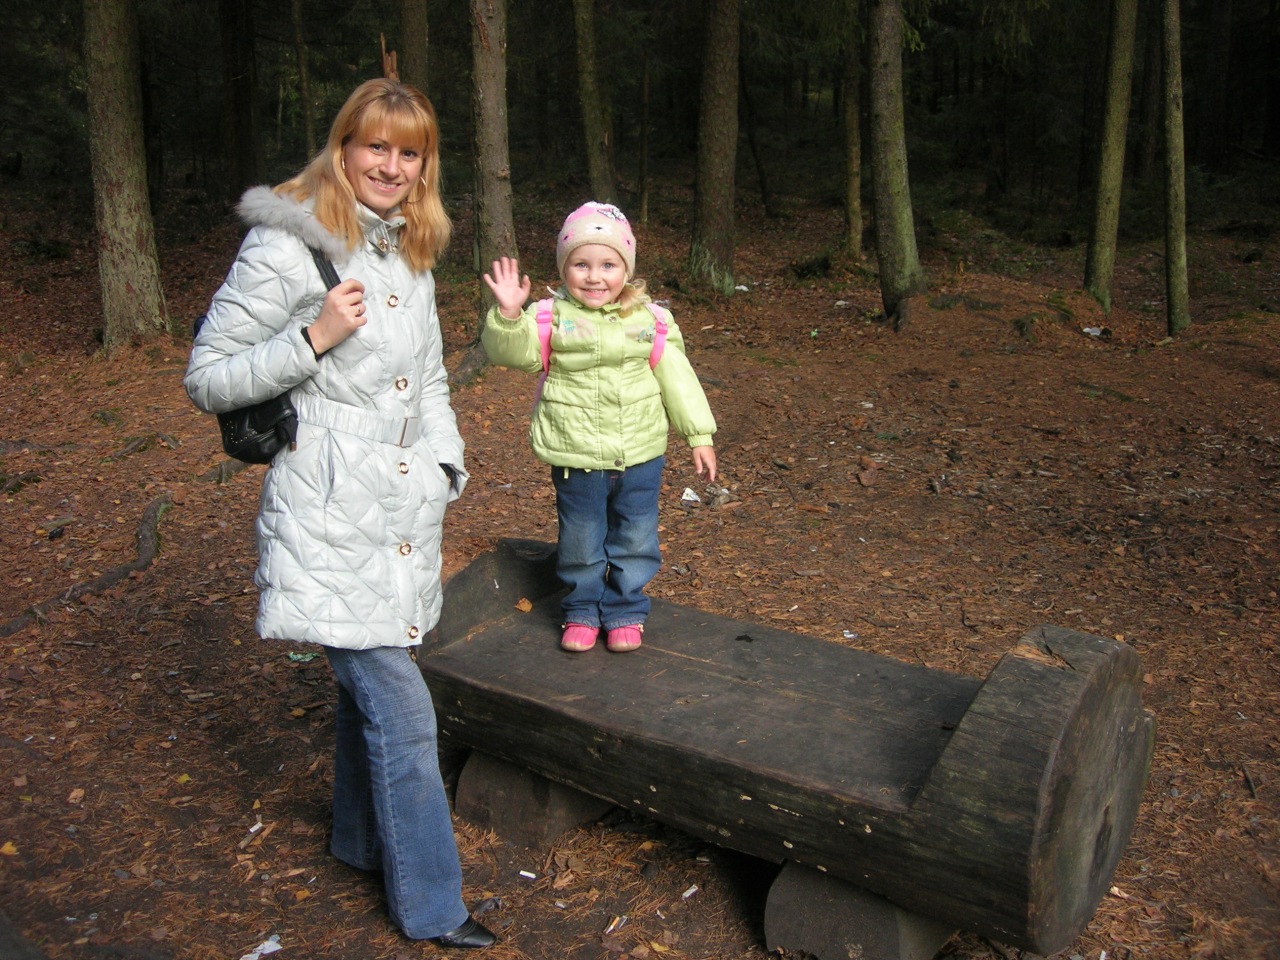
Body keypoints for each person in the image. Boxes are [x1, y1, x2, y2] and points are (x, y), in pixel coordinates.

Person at [184, 78, 495, 950]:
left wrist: (445, 466)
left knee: (373, 693)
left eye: (409, 152)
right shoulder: (288, 245)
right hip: (324, 511)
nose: (390, 166)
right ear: (343, 148)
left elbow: (429, 381)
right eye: (375, 146)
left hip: (398, 509)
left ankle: (357, 843)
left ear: (425, 165)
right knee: (403, 709)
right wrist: (311, 339)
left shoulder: (408, 251)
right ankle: (432, 908)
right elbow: (207, 376)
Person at [481, 201, 717, 654]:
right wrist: (509, 316)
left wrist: (699, 436)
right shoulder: (550, 317)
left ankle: (626, 608)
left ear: (626, 270)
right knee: (581, 539)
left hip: (640, 452)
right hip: (576, 453)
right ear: (564, 268)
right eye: (581, 265)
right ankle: (582, 609)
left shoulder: (651, 320)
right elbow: (512, 354)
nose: (594, 277)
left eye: (608, 265)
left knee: (636, 536)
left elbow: (678, 379)